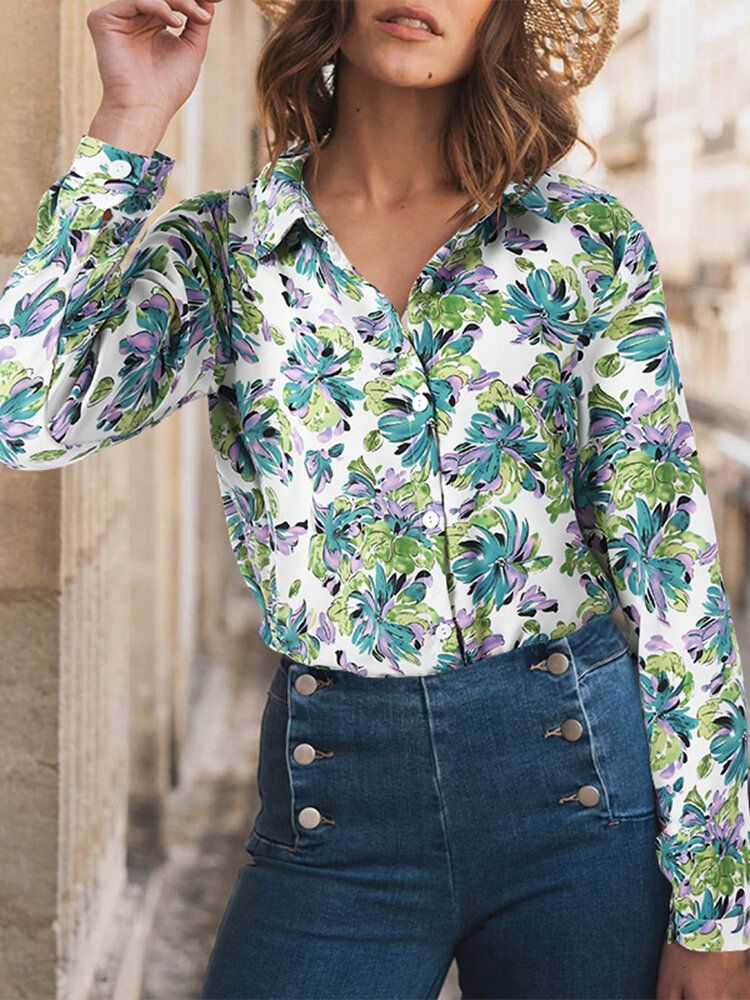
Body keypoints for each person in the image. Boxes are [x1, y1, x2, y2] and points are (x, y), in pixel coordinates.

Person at [1, 0, 749, 996]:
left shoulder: (580, 242)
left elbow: (672, 568)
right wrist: (133, 116)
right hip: (334, 809)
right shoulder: (229, 257)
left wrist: (714, 909)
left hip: (576, 792)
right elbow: (27, 410)